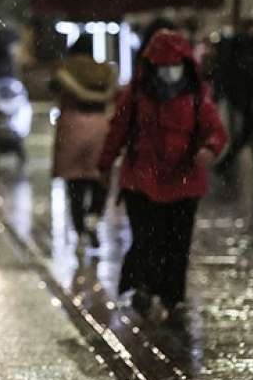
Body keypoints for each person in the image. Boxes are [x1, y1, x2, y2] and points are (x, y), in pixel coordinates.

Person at [97, 30, 227, 319]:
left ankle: (172, 298)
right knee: (147, 240)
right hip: (142, 182)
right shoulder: (136, 95)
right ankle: (145, 285)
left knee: (177, 243)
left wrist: (208, 149)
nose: (169, 72)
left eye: (174, 65)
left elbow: (215, 130)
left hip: (184, 182)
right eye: (163, 65)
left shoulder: (196, 96)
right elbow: (118, 130)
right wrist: (105, 165)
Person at [50, 36, 115, 249]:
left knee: (74, 182)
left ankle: (79, 231)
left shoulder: (64, 69)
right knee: (99, 178)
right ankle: (93, 218)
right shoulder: (105, 70)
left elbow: (55, 89)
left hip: (71, 127)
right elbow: (112, 96)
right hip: (99, 127)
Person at [215, 18, 253, 178]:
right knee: (249, 135)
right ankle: (226, 164)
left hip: (250, 100)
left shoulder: (248, 51)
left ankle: (228, 164)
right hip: (249, 101)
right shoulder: (243, 51)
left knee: (250, 136)